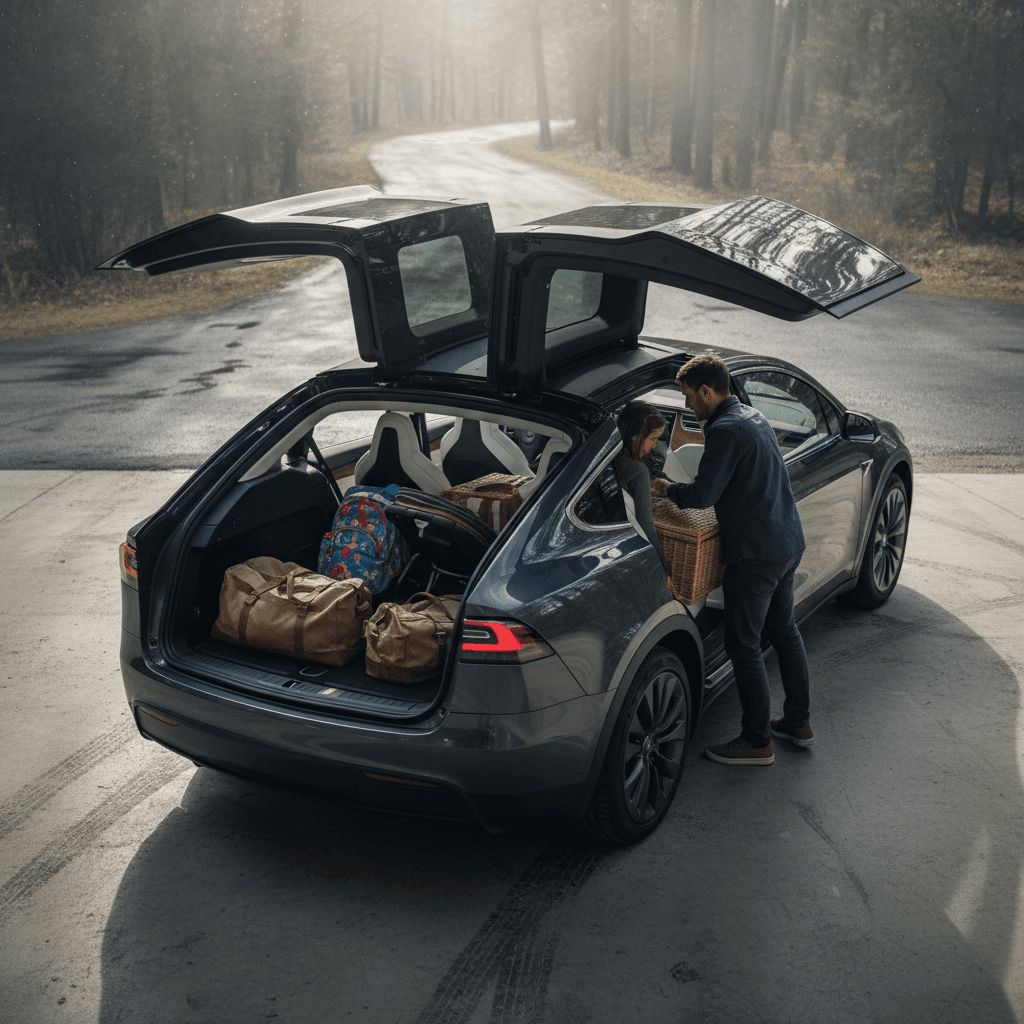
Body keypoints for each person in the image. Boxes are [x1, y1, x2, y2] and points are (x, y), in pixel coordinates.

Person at [651, 355, 813, 765]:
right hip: (787, 541)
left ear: (707, 391)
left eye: (689, 397)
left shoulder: (723, 430)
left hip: (756, 554)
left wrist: (665, 488)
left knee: (743, 644)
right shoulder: (753, 417)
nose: (687, 406)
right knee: (785, 631)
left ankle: (756, 742)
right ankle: (798, 723)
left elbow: (703, 494)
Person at [614, 401, 676, 598]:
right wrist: (664, 569)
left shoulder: (612, 459)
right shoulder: (637, 470)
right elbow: (646, 525)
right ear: (636, 436)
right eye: (653, 439)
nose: (655, 445)